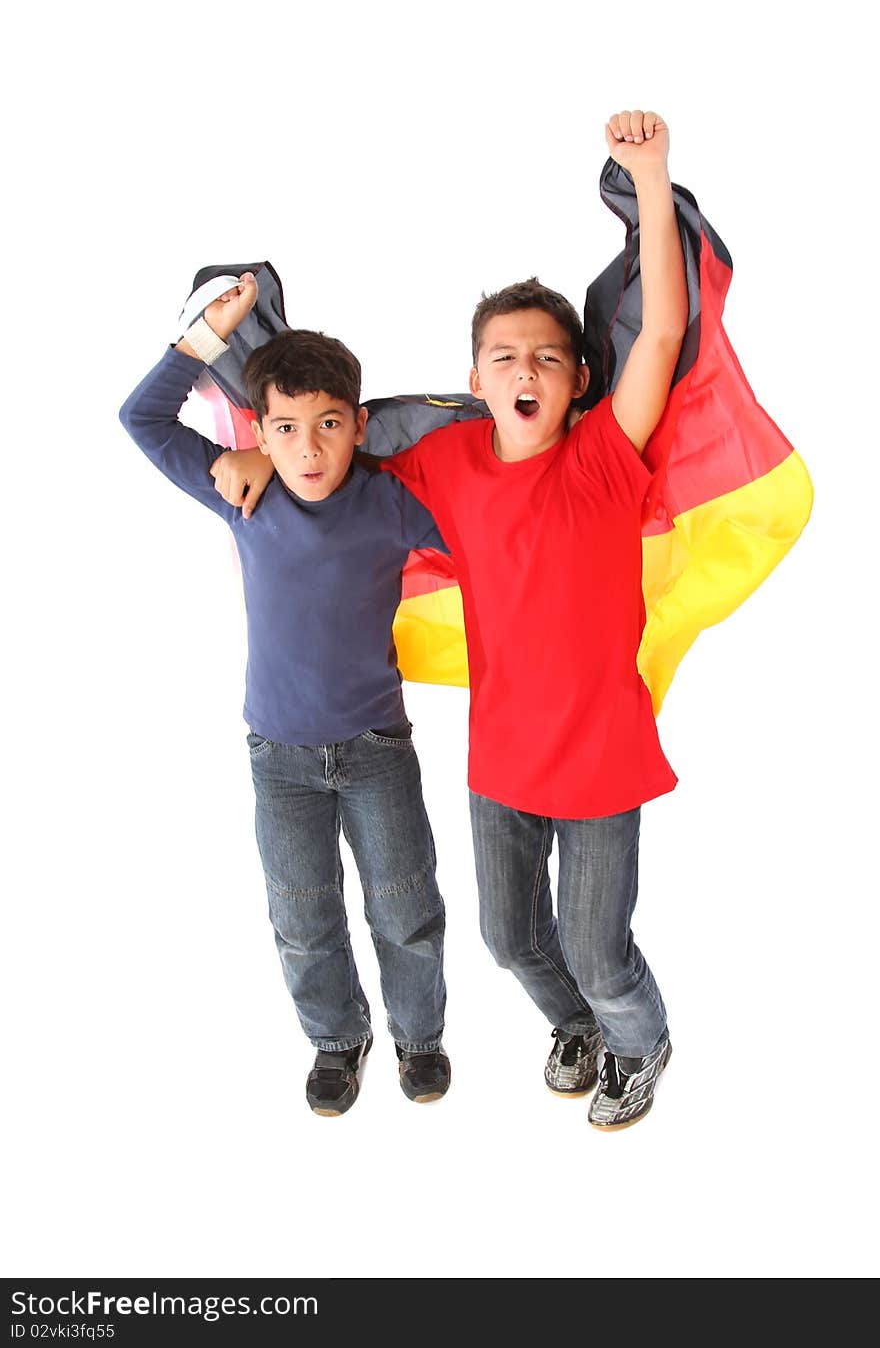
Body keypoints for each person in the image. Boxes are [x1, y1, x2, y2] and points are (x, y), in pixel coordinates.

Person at [212, 109, 687, 1130]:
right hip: (500, 757)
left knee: (599, 945)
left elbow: (659, 329)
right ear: (473, 383)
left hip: (601, 755)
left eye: (547, 358)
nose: (523, 370)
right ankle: (578, 1023)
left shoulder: (608, 456)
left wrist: (650, 177)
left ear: (578, 381)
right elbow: (325, 457)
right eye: (502, 357)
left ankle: (637, 1038)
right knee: (510, 937)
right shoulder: (444, 463)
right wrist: (259, 453)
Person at [119, 277, 451, 1117]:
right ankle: (338, 1041)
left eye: (329, 425)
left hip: (377, 747)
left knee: (406, 908)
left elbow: (492, 532)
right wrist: (200, 342)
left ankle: (420, 1035)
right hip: (281, 756)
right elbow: (142, 420)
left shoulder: (388, 503)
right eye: (287, 429)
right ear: (259, 431)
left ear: (359, 426)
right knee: (302, 919)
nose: (309, 449)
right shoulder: (246, 493)